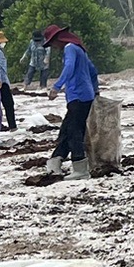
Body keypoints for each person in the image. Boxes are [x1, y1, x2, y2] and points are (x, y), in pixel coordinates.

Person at [42, 24, 99, 178]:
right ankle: (55, 161)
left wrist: (57, 86)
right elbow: (93, 71)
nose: (53, 47)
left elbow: (69, 67)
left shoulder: (69, 48)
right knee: (67, 128)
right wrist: (95, 90)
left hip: (77, 95)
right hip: (86, 96)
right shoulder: (80, 49)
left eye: (52, 44)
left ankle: (80, 167)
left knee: (74, 131)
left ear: (57, 40)